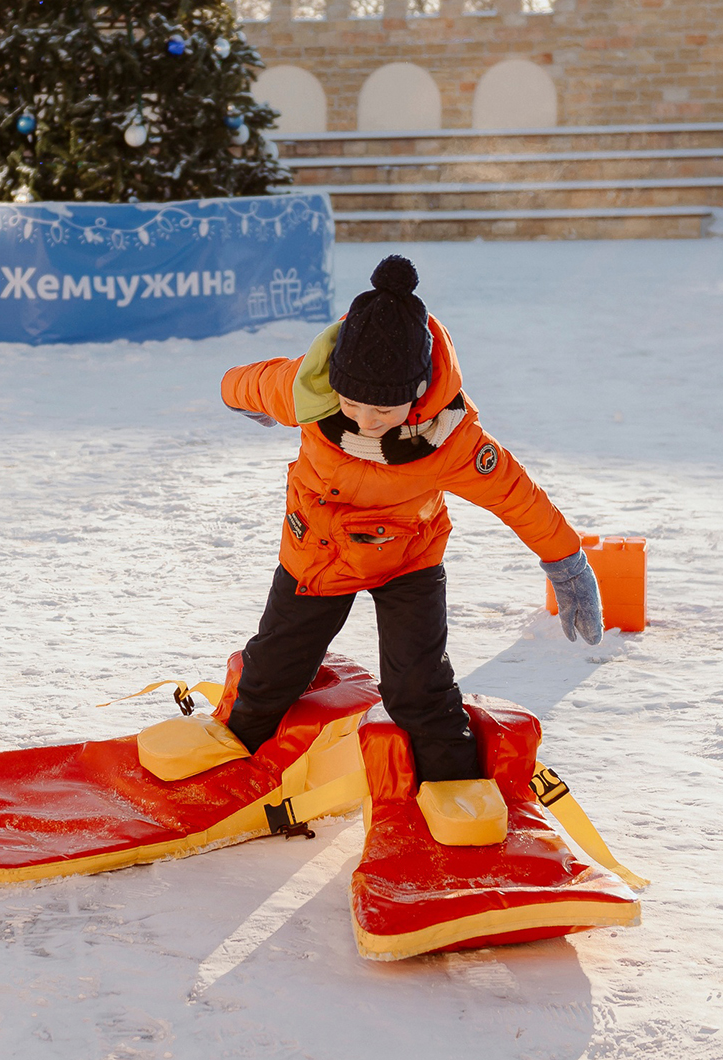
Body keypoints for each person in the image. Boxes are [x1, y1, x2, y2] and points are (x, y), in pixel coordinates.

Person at [219, 254, 602, 781]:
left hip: (408, 560)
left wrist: (567, 563)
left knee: (418, 688)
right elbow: (247, 382)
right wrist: (242, 398)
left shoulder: (452, 440)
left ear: (419, 393)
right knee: (272, 671)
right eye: (352, 404)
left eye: (384, 409)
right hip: (318, 555)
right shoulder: (306, 390)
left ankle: (453, 787)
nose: (366, 421)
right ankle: (234, 759)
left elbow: (517, 497)